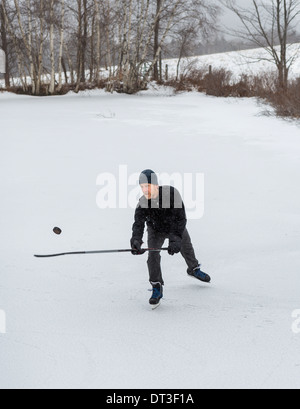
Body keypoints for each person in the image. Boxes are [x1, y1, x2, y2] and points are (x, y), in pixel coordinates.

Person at [131, 169, 211, 307]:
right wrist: (136, 241)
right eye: (142, 187)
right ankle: (156, 286)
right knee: (153, 255)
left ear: (156, 185)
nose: (145, 190)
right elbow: (138, 224)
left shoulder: (171, 193)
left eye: (148, 186)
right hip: (155, 230)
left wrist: (175, 239)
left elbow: (180, 218)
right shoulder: (143, 202)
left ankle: (193, 269)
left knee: (186, 246)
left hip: (175, 227)